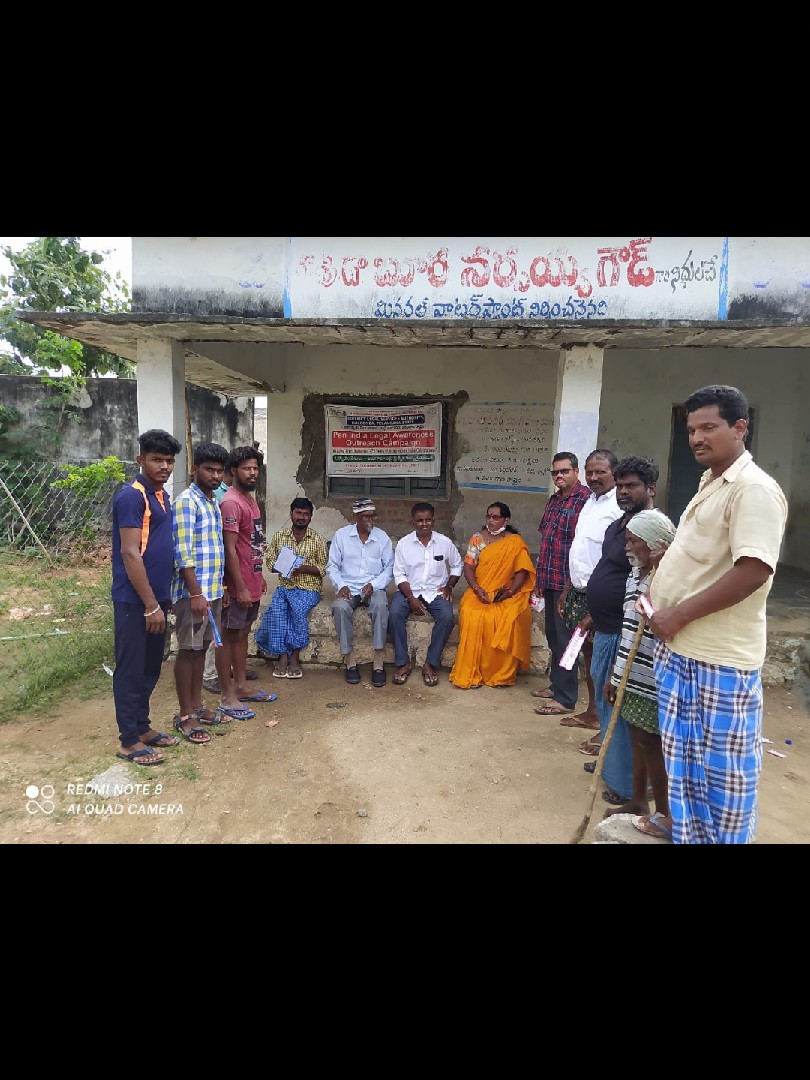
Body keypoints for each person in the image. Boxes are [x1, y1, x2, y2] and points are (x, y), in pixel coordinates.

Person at [649, 384, 788, 844]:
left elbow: (754, 570)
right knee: (685, 764)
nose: (697, 438)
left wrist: (679, 614)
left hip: (717, 658)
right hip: (683, 651)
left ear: (740, 427)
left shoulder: (753, 490)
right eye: (692, 429)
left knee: (723, 778)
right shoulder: (712, 481)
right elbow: (711, 554)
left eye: (709, 427)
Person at [582, 456, 658, 806]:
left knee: (624, 707)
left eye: (633, 486)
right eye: (622, 485)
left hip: (626, 630)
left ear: (650, 489)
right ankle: (611, 766)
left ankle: (628, 785)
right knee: (606, 698)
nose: (625, 491)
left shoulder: (652, 529)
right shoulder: (619, 525)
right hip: (606, 626)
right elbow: (608, 569)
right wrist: (592, 613)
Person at [597, 508, 677, 828]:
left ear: (656, 543)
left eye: (634, 541)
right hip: (630, 670)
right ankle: (638, 799)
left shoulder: (667, 576)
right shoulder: (635, 573)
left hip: (654, 675)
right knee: (636, 737)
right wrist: (616, 674)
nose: (627, 547)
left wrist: (662, 569)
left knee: (650, 742)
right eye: (627, 541)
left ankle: (665, 813)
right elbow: (629, 626)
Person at [111, 428, 182, 766]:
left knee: (151, 666)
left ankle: (142, 727)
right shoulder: (132, 496)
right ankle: (128, 741)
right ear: (141, 459)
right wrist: (150, 605)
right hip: (135, 601)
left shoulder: (161, 495)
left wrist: (162, 600)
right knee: (130, 668)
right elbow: (130, 553)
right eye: (157, 460)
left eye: (169, 460)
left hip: (158, 599)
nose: (164, 466)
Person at [552, 450, 622, 731]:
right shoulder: (590, 503)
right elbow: (581, 549)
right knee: (589, 656)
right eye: (590, 472)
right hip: (580, 590)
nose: (594, 477)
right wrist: (568, 587)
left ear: (614, 473)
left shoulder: (618, 506)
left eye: (600, 472)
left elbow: (615, 559)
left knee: (605, 661)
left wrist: (596, 608)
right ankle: (593, 713)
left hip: (603, 595)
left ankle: (606, 725)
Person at [170, 442, 231, 744]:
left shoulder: (211, 502)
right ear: (195, 469)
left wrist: (221, 589)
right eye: (209, 470)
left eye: (219, 471)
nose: (215, 476)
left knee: (201, 649)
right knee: (188, 651)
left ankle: (197, 707)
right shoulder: (187, 502)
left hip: (212, 592)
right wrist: (195, 594)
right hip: (193, 594)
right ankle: (185, 715)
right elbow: (183, 554)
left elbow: (214, 549)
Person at [449, 502, 536, 689]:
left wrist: (510, 592)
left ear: (506, 520)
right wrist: (477, 589)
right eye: (488, 516)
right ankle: (473, 671)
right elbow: (469, 567)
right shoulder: (477, 539)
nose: (490, 520)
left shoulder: (515, 541)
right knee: (472, 614)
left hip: (506, 591)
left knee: (508, 617)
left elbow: (522, 571)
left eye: (495, 517)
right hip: (479, 589)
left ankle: (500, 675)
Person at [531, 452, 591, 714]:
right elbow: (547, 542)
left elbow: (582, 546)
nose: (559, 476)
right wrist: (539, 579)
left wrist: (570, 585)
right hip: (550, 578)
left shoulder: (586, 501)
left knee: (567, 639)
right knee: (554, 637)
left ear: (576, 471)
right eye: (555, 472)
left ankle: (566, 698)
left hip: (569, 584)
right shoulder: (554, 501)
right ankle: (556, 686)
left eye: (564, 471)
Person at [218, 446, 276, 710]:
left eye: (255, 468)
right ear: (234, 471)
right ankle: (228, 692)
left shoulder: (250, 500)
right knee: (230, 635)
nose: (252, 473)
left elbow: (252, 543)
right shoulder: (231, 502)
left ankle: (241, 686)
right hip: (237, 585)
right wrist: (238, 586)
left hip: (251, 581)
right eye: (246, 468)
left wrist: (258, 575)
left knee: (242, 633)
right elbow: (229, 548)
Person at [390, 502, 463, 687]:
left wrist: (449, 586)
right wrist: (410, 598)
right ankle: (403, 663)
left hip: (435, 591)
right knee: (394, 613)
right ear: (413, 522)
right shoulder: (404, 544)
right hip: (409, 590)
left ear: (433, 521)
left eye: (428, 520)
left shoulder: (444, 542)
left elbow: (457, 565)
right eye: (420, 520)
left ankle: (430, 663)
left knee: (447, 617)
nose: (424, 524)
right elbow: (399, 574)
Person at [256, 497, 329, 679]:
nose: (301, 517)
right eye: (298, 513)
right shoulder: (279, 537)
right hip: (285, 586)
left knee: (297, 610)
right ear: (291, 514)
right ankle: (282, 656)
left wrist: (303, 569)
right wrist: (283, 566)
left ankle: (294, 657)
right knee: (277, 610)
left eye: (305, 514)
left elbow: (323, 568)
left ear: (311, 517)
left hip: (309, 588)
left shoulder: (318, 539)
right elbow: (270, 562)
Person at [326, 498, 394, 687]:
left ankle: (378, 663)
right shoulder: (341, 536)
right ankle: (350, 661)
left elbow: (389, 568)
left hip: (374, 588)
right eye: (365, 517)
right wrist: (341, 585)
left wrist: (374, 584)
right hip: (348, 587)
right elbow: (332, 566)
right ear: (355, 517)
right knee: (340, 607)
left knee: (381, 605)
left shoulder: (382, 538)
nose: (370, 520)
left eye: (372, 516)